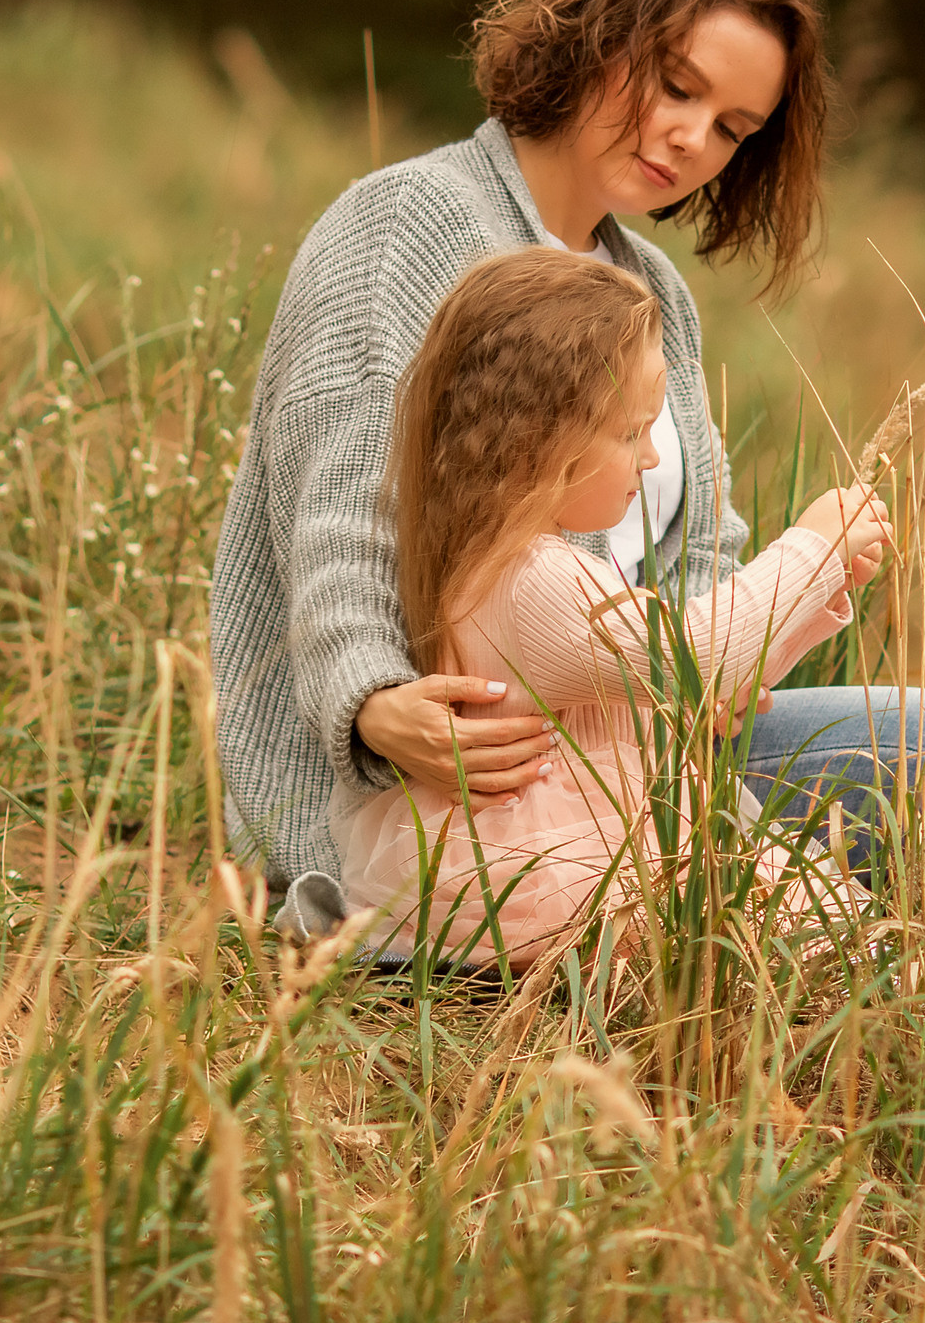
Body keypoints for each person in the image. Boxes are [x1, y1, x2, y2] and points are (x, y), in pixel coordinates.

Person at [208, 0, 925, 940]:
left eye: (733, 129)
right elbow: (340, 513)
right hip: (451, 787)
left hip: (628, 750)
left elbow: (698, 562)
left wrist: (751, 642)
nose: (691, 137)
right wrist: (375, 706)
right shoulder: (408, 224)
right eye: (675, 84)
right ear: (599, 33)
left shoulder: (650, 292)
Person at [340, 248, 888, 965]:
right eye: (631, 432)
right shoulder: (536, 580)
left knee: (819, 926)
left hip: (592, 842)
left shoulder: (503, 558)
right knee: (840, 936)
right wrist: (812, 548)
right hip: (568, 866)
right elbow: (698, 652)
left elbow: (703, 671)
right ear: (540, 438)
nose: (652, 458)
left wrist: (822, 586)